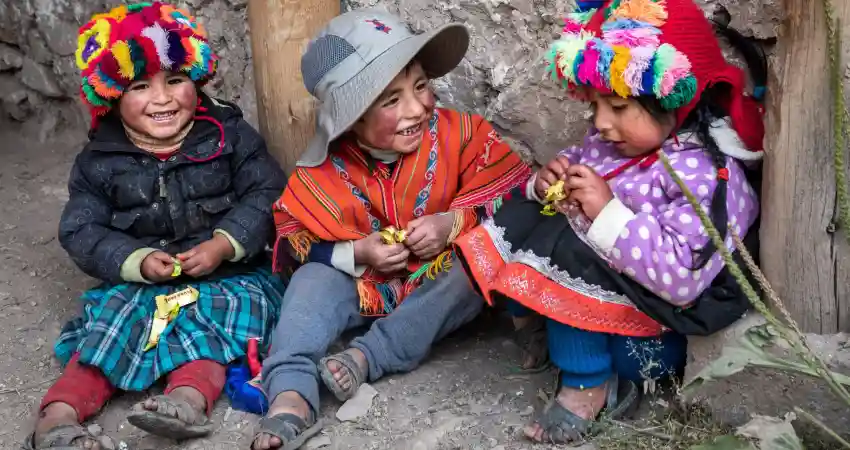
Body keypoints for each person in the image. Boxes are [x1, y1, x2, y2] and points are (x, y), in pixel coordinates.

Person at [453, 0, 767, 443]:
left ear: (675, 99)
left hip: (660, 325)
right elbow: (578, 159)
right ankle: (539, 326)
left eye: (618, 107)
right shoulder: (610, 143)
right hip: (608, 296)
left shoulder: (710, 176)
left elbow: (682, 279)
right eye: (596, 105)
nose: (600, 123)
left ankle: (586, 385)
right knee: (527, 214)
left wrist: (608, 213)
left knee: (571, 251)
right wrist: (552, 177)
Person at [251, 9, 532, 450]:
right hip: (365, 282)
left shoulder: (461, 135)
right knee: (311, 280)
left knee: (475, 266)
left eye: (420, 86)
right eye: (391, 99)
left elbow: (512, 194)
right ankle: (290, 393)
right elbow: (293, 241)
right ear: (353, 120)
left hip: (440, 280)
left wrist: (450, 223)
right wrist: (358, 253)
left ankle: (368, 355)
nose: (419, 107)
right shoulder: (324, 172)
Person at [25, 3, 286, 448]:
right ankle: (59, 418)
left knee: (213, 330)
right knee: (111, 326)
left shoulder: (229, 135)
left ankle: (185, 402)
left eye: (176, 81)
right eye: (140, 86)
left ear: (197, 80)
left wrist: (224, 244)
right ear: (110, 95)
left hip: (227, 276)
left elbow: (267, 195)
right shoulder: (99, 160)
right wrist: (137, 260)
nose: (162, 98)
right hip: (140, 282)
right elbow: (81, 230)